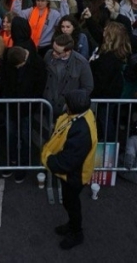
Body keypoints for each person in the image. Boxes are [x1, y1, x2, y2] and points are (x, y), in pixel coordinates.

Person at [41, 89, 98, 251]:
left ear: (72, 108)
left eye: (67, 103)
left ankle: (76, 233)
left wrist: (48, 159)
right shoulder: (84, 116)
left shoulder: (81, 131)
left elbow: (67, 162)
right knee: (69, 202)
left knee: (71, 203)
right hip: (75, 173)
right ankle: (72, 225)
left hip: (75, 176)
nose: (64, 105)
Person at [43, 34, 93, 117]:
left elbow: (87, 87)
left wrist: (72, 103)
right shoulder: (48, 55)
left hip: (67, 109)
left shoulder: (81, 63)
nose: (54, 53)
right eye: (53, 49)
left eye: (58, 52)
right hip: (48, 104)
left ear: (68, 51)